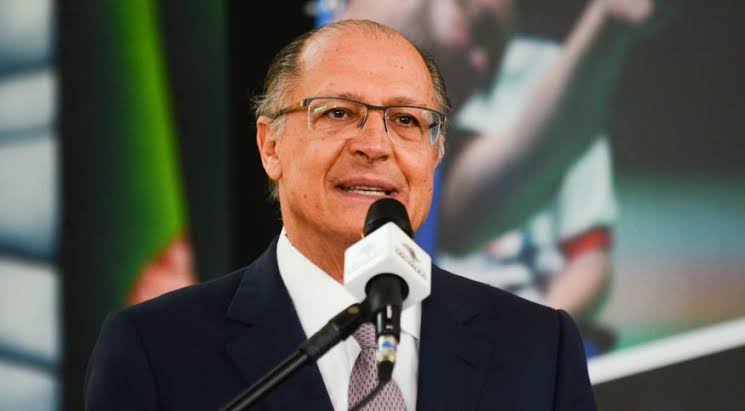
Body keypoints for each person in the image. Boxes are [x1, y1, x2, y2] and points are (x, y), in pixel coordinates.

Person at [85, 19, 595, 410]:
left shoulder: (538, 348)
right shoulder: (154, 350)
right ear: (270, 146)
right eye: (337, 113)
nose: (375, 145)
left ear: (436, 154)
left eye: (406, 120)